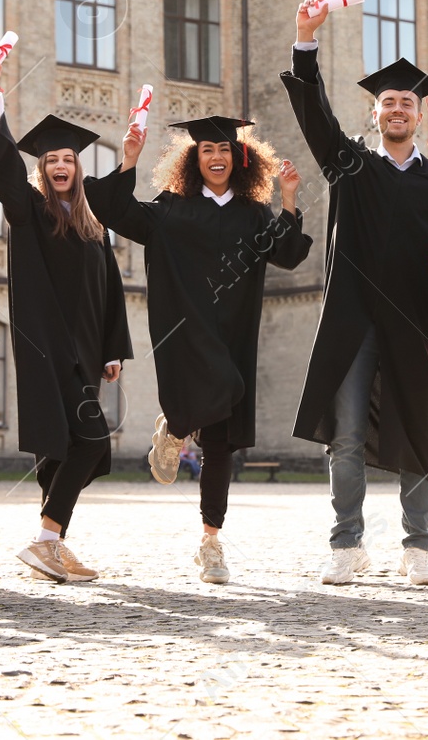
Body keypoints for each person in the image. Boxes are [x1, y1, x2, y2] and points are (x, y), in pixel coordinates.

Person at [282, 0, 428, 587]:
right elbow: (314, 116)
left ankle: (417, 548)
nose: (397, 109)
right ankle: (347, 545)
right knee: (344, 433)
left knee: (417, 428)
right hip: (352, 320)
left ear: (420, 113)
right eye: (387, 101)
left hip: (413, 321)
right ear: (375, 112)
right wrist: (305, 40)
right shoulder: (350, 167)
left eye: (406, 102)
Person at [85, 113, 311, 584]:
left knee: (223, 443)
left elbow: (288, 254)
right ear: (194, 159)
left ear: (240, 158)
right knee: (226, 387)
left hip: (235, 332)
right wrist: (128, 158)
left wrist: (288, 199)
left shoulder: (252, 214)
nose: (216, 157)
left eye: (224, 150)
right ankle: (180, 423)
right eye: (207, 150)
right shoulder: (172, 208)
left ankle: (211, 542)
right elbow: (112, 209)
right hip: (187, 328)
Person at [0, 67, 131, 584]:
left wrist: (112, 349)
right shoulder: (33, 209)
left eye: (68, 159)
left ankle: (51, 549)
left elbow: (109, 289)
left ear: (78, 170)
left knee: (57, 451)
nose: (61, 165)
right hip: (47, 347)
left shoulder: (92, 226)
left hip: (85, 353)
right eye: (52, 160)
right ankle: (45, 541)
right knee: (90, 442)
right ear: (42, 170)